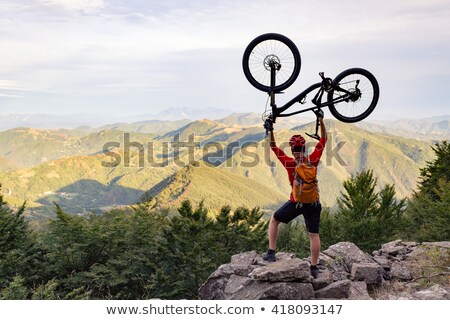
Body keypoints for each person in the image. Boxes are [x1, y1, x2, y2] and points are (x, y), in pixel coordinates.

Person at [262, 109, 327, 278]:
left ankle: (271, 252)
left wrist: (271, 130)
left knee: (275, 219)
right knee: (314, 235)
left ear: (292, 149)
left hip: (296, 202)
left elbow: (274, 147)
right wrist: (320, 120)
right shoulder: (313, 160)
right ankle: (314, 267)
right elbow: (324, 140)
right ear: (305, 148)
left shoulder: (290, 163)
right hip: (314, 202)